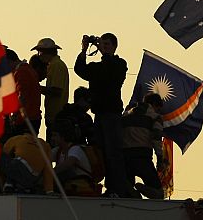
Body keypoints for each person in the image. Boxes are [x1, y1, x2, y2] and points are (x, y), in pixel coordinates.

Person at [73, 33, 128, 196]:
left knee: (114, 153)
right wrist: (84, 49)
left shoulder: (119, 64)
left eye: (107, 44)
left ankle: (116, 189)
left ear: (114, 46)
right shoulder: (96, 68)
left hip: (113, 115)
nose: (104, 47)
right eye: (102, 44)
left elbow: (114, 72)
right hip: (100, 115)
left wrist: (102, 51)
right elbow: (79, 69)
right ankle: (108, 188)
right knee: (101, 153)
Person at [121, 93, 165, 199]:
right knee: (159, 194)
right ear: (154, 104)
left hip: (125, 157)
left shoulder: (126, 114)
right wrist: (160, 159)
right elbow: (157, 139)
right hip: (142, 156)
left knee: (127, 196)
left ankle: (132, 191)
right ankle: (140, 188)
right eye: (158, 109)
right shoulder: (154, 117)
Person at [32, 38, 69, 145]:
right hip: (54, 114)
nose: (39, 55)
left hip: (56, 115)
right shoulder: (55, 65)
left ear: (45, 52)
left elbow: (56, 91)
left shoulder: (56, 65)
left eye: (40, 52)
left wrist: (36, 87)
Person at [51, 123, 101, 196]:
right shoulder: (58, 150)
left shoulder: (75, 149)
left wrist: (49, 173)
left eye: (55, 135)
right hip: (71, 185)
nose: (52, 138)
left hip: (82, 185)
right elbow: (44, 159)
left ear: (63, 137)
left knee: (62, 173)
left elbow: (67, 165)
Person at [3, 48, 42, 140]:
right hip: (32, 117)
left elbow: (22, 97)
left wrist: (14, 116)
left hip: (26, 119)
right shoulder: (27, 69)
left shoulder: (21, 72)